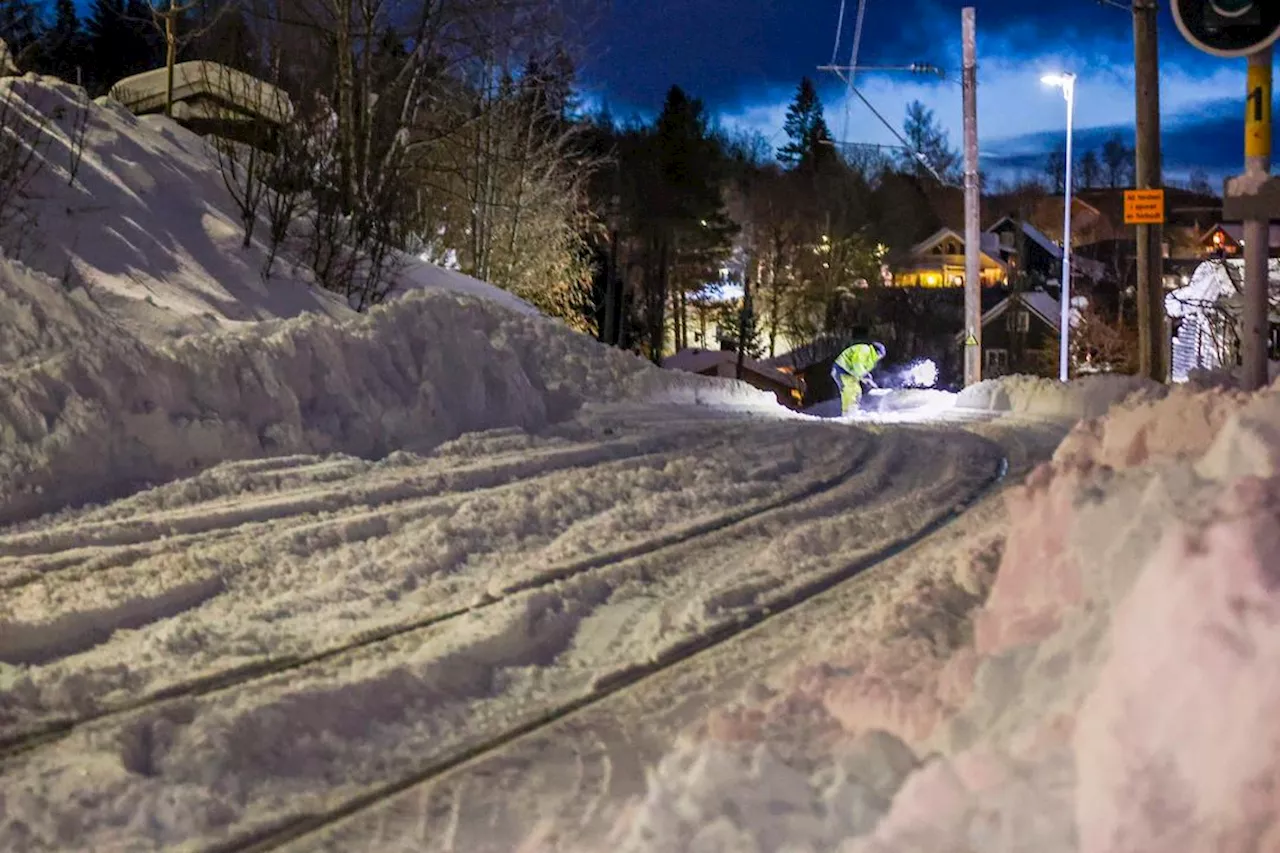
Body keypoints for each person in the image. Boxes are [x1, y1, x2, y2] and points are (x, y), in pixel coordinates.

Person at [831, 341, 886, 415]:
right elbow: (857, 365)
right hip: (841, 370)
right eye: (880, 355)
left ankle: (850, 411)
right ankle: (849, 412)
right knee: (850, 390)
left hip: (849, 373)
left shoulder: (871, 359)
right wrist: (864, 376)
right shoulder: (865, 349)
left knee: (856, 391)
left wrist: (867, 379)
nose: (879, 358)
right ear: (876, 352)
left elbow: (862, 370)